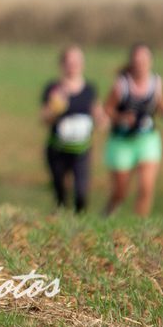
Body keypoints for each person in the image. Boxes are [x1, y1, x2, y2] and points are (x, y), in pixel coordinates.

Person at [102, 43, 163, 217]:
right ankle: (107, 216)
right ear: (131, 62)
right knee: (120, 192)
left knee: (146, 187)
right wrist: (122, 118)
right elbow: (108, 109)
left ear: (151, 62)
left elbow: (161, 104)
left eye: (144, 60)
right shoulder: (122, 85)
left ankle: (140, 227)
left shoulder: (156, 83)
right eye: (137, 60)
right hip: (122, 141)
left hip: (147, 139)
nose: (141, 64)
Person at [39, 45, 100, 213]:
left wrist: (102, 119)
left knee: (81, 194)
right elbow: (44, 118)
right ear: (62, 64)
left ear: (83, 64)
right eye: (69, 62)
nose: (73, 65)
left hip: (81, 150)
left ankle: (80, 226)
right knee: (61, 193)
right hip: (58, 150)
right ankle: (60, 224)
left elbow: (97, 114)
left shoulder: (89, 89)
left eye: (77, 61)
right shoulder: (54, 89)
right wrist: (55, 107)